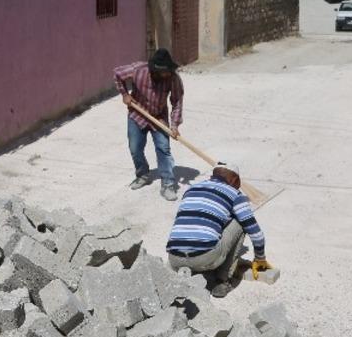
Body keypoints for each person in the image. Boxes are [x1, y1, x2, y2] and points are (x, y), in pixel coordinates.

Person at [167, 161, 272, 297]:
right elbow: (256, 234)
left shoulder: (191, 189)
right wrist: (260, 259)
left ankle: (192, 269)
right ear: (234, 180)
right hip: (204, 260)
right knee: (241, 223)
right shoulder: (235, 194)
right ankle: (221, 281)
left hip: (174, 259)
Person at [113, 48, 184, 201]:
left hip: (159, 117)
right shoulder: (138, 70)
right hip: (137, 114)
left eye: (169, 71)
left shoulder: (173, 78)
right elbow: (117, 74)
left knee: (163, 149)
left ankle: (167, 184)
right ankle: (143, 174)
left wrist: (174, 125)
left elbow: (177, 101)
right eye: (164, 72)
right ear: (154, 70)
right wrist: (125, 94)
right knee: (135, 148)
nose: (167, 74)